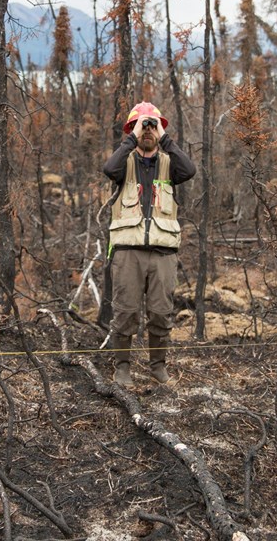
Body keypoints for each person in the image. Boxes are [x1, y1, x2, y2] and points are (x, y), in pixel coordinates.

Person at [103, 102, 196, 386]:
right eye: (142, 126)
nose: (147, 131)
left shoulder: (170, 164)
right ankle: (122, 367)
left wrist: (164, 137)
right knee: (126, 311)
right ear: (132, 130)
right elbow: (109, 168)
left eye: (152, 126)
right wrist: (132, 137)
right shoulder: (125, 163)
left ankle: (158, 365)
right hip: (128, 251)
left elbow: (189, 170)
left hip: (162, 252)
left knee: (160, 311)